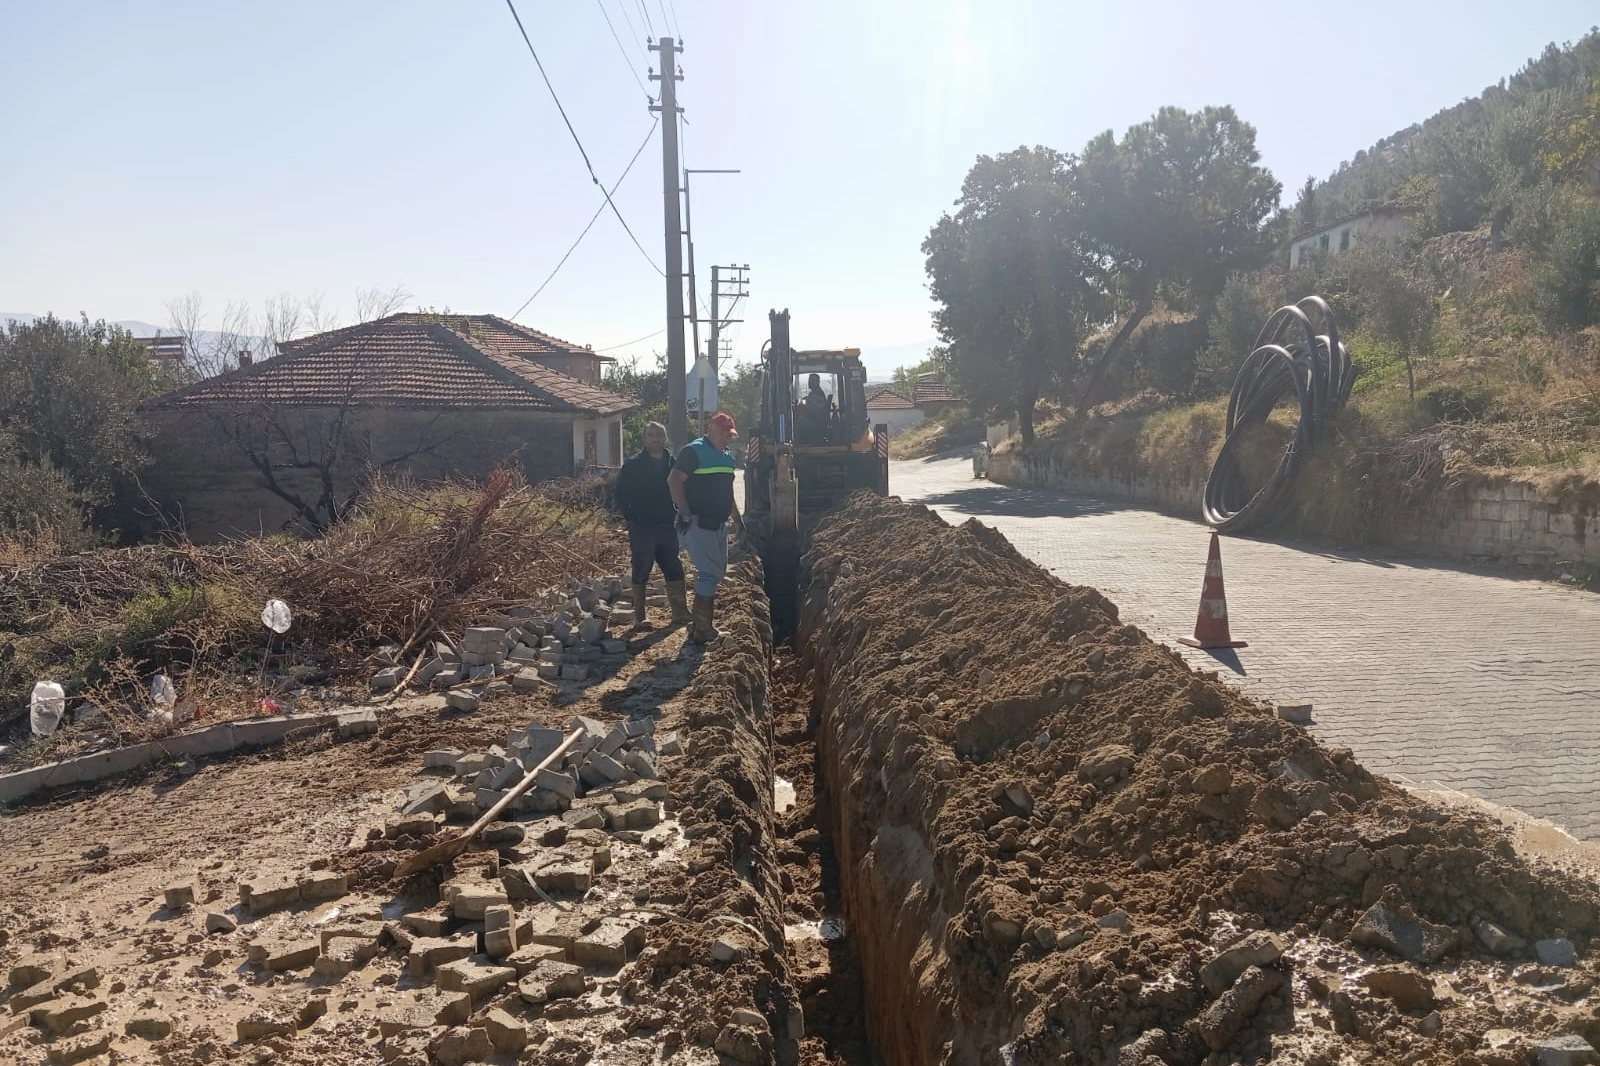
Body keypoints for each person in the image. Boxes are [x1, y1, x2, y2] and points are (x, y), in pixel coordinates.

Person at [668, 411, 741, 643]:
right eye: (722, 433)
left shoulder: (728, 457)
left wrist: (738, 520)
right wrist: (684, 511)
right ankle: (702, 629)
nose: (726, 439)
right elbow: (674, 480)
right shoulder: (694, 451)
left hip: (718, 524)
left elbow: (727, 494)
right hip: (698, 522)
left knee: (716, 572)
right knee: (709, 574)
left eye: (729, 435)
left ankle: (699, 625)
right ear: (710, 429)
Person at [615, 422, 691, 628]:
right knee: (641, 568)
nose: (655, 438)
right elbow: (620, 494)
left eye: (659, 435)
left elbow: (684, 488)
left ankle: (680, 613)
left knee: (673, 566)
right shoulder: (633, 465)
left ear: (664, 438)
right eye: (651, 435)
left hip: (667, 523)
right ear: (645, 438)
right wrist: (632, 518)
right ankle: (640, 617)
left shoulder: (673, 463)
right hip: (642, 526)